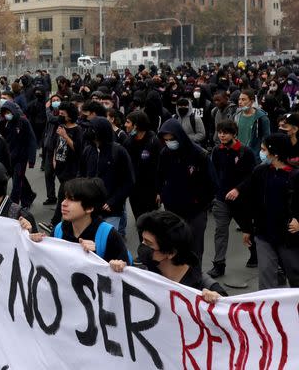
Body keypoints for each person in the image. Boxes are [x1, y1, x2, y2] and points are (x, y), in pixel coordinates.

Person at [109, 211, 226, 303]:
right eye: (142, 241)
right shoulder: (142, 271)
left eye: (148, 243)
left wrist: (217, 301)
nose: (142, 246)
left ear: (171, 253)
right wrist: (115, 273)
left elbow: (229, 315)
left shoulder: (205, 287)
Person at [235, 133, 299, 289]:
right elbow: (249, 201)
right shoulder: (260, 172)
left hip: (288, 237)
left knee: (295, 276)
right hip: (264, 235)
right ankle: (267, 311)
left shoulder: (296, 176)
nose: (261, 152)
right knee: (266, 280)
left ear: (275, 153)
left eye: (264, 149)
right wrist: (247, 228)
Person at [156, 118, 219, 263]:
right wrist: (162, 194)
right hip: (172, 210)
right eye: (166, 140)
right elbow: (159, 176)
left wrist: (200, 201)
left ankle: (194, 281)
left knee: (194, 250)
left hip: (195, 212)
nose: (170, 142)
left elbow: (212, 183)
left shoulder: (199, 154)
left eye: (172, 139)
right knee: (173, 249)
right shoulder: (165, 153)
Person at [29, 178, 131, 263]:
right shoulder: (59, 230)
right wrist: (34, 240)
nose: (63, 203)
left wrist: (103, 259)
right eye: (65, 198)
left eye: (72, 199)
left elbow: (127, 275)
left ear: (89, 208)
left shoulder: (108, 235)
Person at [207, 119, 257, 278]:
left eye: (225, 132)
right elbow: (213, 172)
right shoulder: (216, 151)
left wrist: (238, 189)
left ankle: (254, 254)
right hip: (221, 200)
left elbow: (252, 176)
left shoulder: (245, 152)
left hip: (242, 201)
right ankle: (219, 264)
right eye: (220, 132)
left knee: (248, 230)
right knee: (220, 232)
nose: (222, 135)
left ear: (234, 134)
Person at [78, 118, 135, 233]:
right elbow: (81, 176)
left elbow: (129, 181)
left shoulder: (119, 151)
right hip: (89, 209)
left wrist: (113, 202)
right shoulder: (88, 150)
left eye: (92, 129)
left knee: (106, 244)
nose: (88, 131)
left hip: (111, 211)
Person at [41, 101, 84, 233]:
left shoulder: (77, 130)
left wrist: (65, 136)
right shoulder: (60, 126)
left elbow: (78, 149)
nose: (60, 116)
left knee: (62, 197)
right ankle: (68, 224)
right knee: (67, 197)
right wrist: (54, 158)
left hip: (70, 169)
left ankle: (55, 224)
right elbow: (55, 143)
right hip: (60, 167)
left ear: (70, 116)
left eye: (62, 114)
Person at [122, 111, 161, 239]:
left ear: (136, 125)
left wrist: (159, 191)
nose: (125, 125)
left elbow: (160, 169)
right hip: (135, 191)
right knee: (140, 221)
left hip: (150, 190)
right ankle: (143, 249)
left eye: (128, 122)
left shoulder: (153, 141)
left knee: (151, 223)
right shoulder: (128, 142)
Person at [0, 101, 37, 208]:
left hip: (21, 158)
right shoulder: (5, 122)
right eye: (5, 113)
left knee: (17, 183)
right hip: (9, 158)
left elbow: (32, 140)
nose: (7, 115)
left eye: (8, 112)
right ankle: (29, 195)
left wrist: (31, 159)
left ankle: (15, 206)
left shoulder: (23, 121)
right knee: (19, 178)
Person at [234, 89, 270, 155]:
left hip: (254, 154)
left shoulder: (261, 118)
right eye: (239, 99)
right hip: (239, 152)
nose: (240, 102)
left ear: (252, 101)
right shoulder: (237, 115)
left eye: (243, 99)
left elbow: (266, 138)